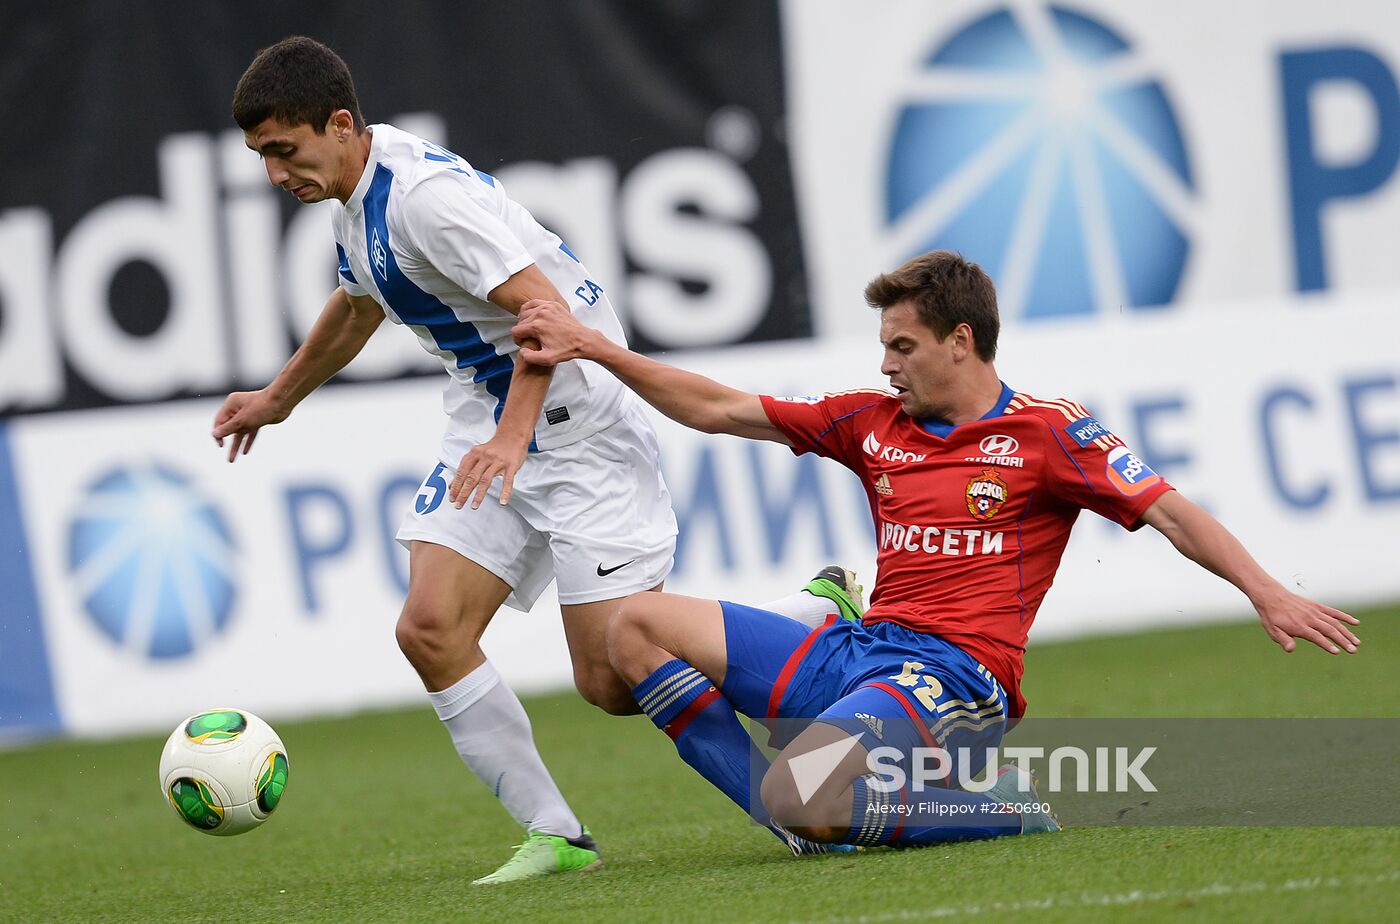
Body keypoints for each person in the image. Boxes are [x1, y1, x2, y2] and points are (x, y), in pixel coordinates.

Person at [211, 36, 857, 882]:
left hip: (577, 425)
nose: (273, 175)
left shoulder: (424, 201)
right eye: (261, 157)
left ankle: (807, 617)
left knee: (613, 679)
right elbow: (357, 305)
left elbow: (543, 313)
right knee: (430, 629)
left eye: (283, 152)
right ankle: (556, 834)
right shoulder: (357, 193)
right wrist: (278, 398)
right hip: (492, 423)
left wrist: (515, 437)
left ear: (339, 125)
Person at [509, 249, 1362, 850]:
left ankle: (998, 807)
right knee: (634, 628)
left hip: (956, 678)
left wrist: (1265, 590)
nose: (886, 365)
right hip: (860, 653)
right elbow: (721, 409)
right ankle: (806, 829)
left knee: (806, 786)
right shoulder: (870, 421)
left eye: (902, 347)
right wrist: (594, 346)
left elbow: (1170, 511)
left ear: (962, 340)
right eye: (884, 346)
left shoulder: (1047, 432)